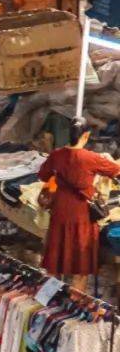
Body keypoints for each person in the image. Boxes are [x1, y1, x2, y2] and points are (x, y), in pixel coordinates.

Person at [38, 119, 120, 286]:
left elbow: (43, 175)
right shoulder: (91, 158)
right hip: (82, 213)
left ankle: (51, 301)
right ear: (86, 135)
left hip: (60, 210)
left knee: (55, 262)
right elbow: (115, 170)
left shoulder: (56, 155)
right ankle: (75, 303)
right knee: (80, 268)